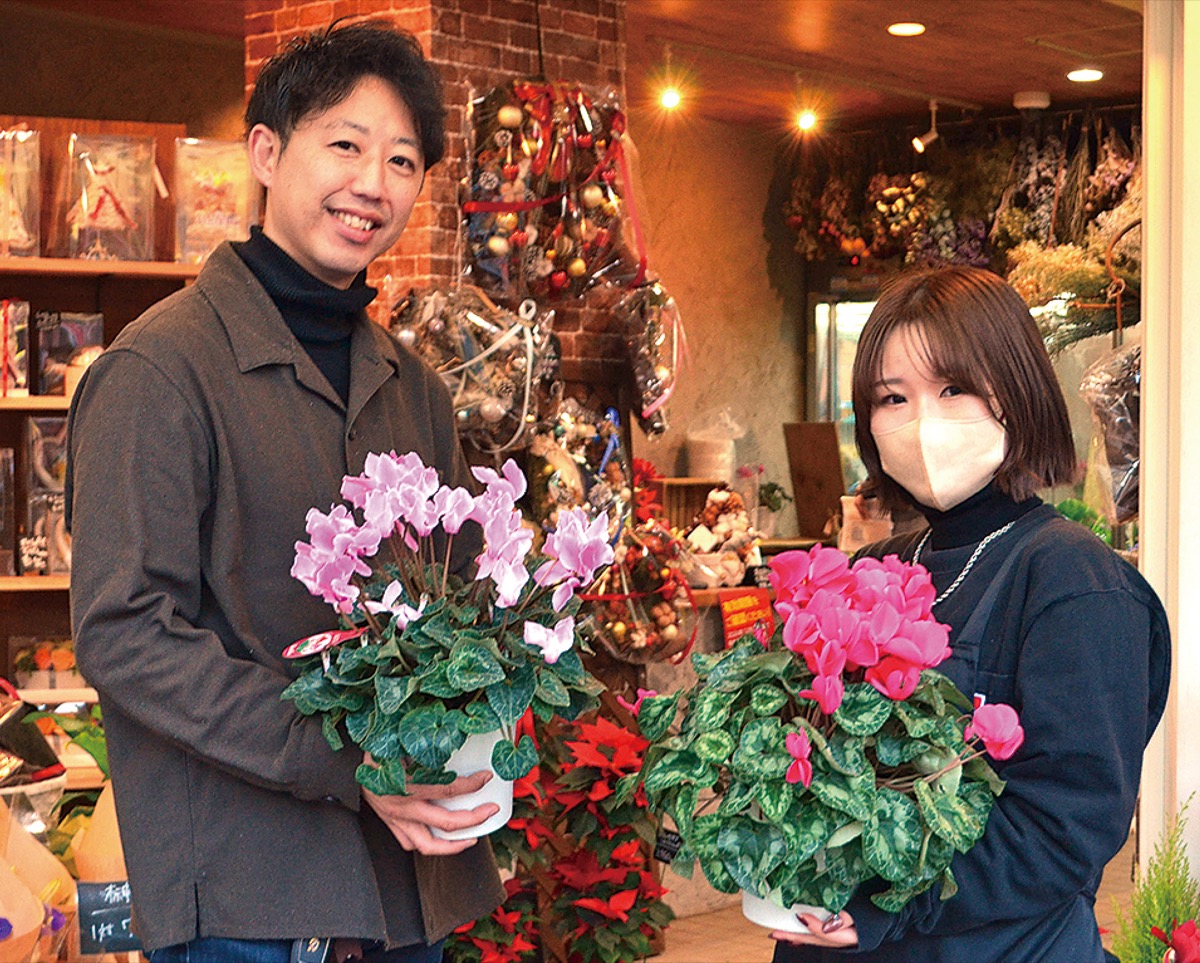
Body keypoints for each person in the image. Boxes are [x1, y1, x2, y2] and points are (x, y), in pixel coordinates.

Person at [65, 20, 504, 963]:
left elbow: (460, 613)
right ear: (266, 152)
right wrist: (350, 756)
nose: (374, 184)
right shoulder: (158, 368)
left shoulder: (415, 387)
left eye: (402, 159)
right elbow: (126, 630)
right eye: (344, 144)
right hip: (246, 900)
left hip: (402, 891)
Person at [773, 266, 1170, 962]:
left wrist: (887, 905)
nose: (921, 420)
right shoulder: (877, 566)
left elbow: (1063, 828)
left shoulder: (1073, 580)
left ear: (1014, 391)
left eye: (953, 387)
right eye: (893, 397)